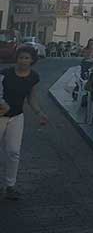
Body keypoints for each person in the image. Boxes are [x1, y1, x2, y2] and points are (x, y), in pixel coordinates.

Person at [0, 46, 48, 200]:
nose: (23, 61)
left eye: (27, 58)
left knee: (14, 152)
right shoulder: (5, 74)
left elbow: (31, 97)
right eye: (21, 57)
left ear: (32, 60)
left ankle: (10, 186)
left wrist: (39, 113)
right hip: (0, 116)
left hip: (17, 117)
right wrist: (2, 104)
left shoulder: (33, 77)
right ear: (17, 58)